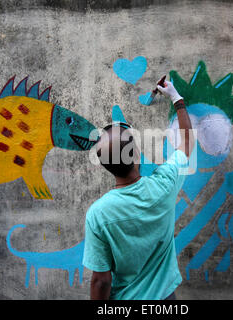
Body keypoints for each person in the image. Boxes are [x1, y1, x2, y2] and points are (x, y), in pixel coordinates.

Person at [82, 77, 194, 300]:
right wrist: (176, 98)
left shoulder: (98, 214)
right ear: (136, 156)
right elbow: (187, 142)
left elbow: (101, 280)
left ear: (106, 167)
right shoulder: (164, 184)